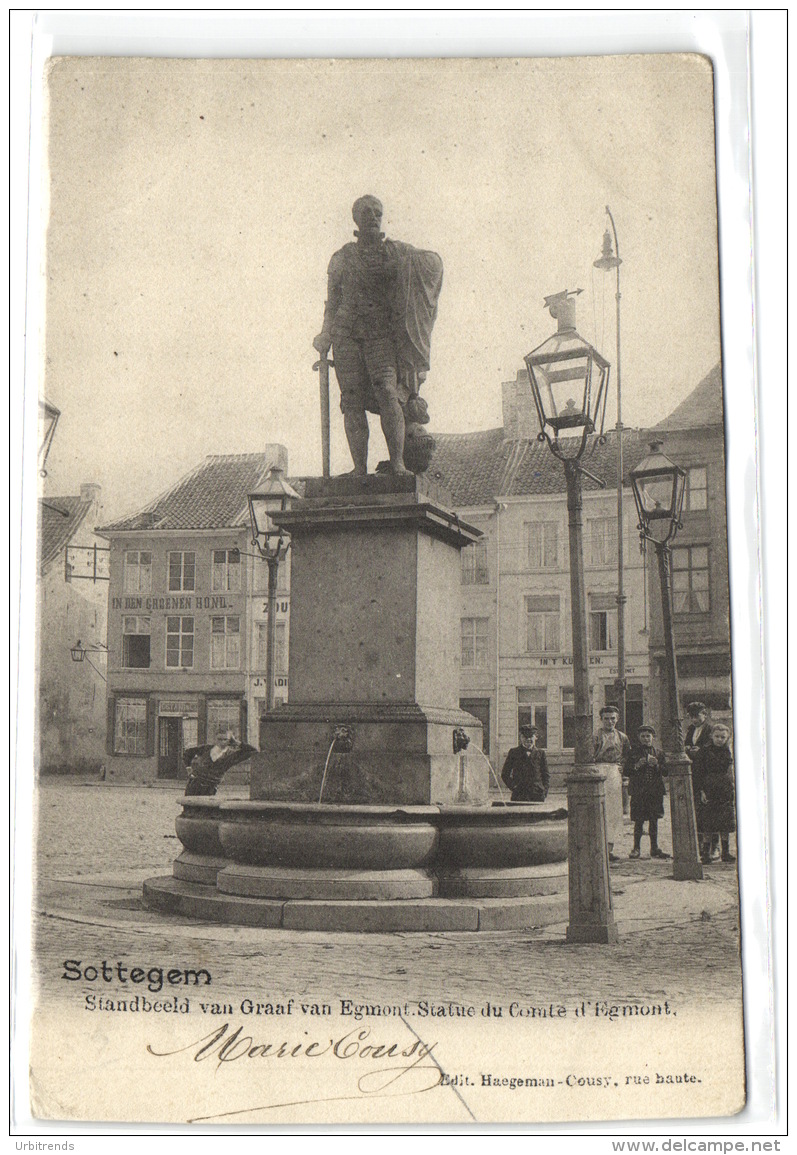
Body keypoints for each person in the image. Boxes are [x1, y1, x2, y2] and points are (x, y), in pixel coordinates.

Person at [313, 195, 443, 476]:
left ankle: (397, 464)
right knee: (351, 400)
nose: (373, 217)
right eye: (367, 212)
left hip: (380, 334)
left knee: (388, 393)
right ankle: (359, 468)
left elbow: (430, 263)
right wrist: (325, 334)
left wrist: (420, 265)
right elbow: (331, 302)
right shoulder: (341, 258)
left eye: (377, 213)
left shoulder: (395, 252)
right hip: (345, 335)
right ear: (356, 218)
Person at [692, 723, 736, 864]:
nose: (719, 739)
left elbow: (729, 770)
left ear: (727, 737)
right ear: (711, 736)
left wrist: (732, 786)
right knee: (708, 821)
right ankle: (706, 853)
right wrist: (701, 791)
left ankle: (725, 852)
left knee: (724, 821)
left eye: (723, 737)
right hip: (709, 787)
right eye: (717, 736)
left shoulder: (727, 751)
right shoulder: (704, 751)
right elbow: (698, 773)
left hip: (724, 788)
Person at [592, 704, 631, 861]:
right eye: (606, 719)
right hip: (599, 770)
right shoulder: (595, 736)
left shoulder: (622, 737)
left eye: (612, 719)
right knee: (600, 809)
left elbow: (628, 755)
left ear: (617, 719)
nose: (610, 722)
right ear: (601, 719)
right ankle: (597, 848)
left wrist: (623, 767)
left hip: (615, 772)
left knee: (614, 811)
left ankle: (609, 849)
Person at [624, 725, 669, 859]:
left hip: (655, 791)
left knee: (654, 820)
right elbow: (626, 771)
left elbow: (666, 772)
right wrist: (637, 765)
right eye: (643, 736)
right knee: (639, 821)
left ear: (652, 737)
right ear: (639, 738)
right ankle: (636, 848)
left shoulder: (659, 753)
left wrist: (657, 765)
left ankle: (654, 848)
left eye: (648, 736)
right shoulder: (633, 753)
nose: (645, 739)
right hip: (639, 791)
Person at [183, 730, 257, 797]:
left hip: (211, 786)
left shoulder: (232, 755)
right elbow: (188, 753)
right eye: (219, 739)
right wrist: (188, 768)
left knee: (207, 809)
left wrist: (238, 743)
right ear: (215, 739)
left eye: (225, 739)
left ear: (230, 741)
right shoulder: (206, 749)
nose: (222, 742)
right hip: (195, 783)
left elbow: (253, 751)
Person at [501, 725, 549, 802]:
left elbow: (545, 775)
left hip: (537, 795)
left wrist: (544, 790)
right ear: (520, 738)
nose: (528, 739)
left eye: (531, 737)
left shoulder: (541, 753)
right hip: (519, 794)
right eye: (525, 737)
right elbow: (505, 774)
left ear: (535, 737)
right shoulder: (514, 752)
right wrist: (514, 787)